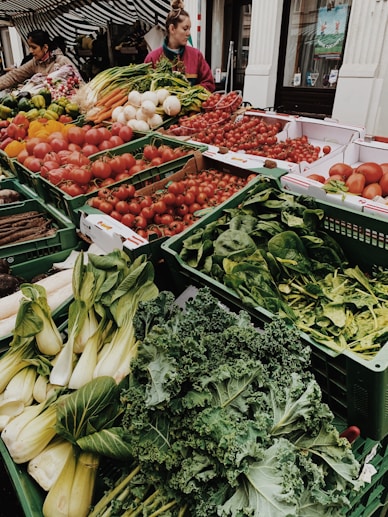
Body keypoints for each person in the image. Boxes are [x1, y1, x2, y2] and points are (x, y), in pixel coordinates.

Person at [144, 0, 215, 92]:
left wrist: (189, 92)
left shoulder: (196, 56)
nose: (189, 33)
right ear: (172, 28)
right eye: (185, 29)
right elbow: (144, 88)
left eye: (189, 29)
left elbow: (209, 83)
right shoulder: (152, 58)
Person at [0, 29, 82, 91]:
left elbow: (80, 83)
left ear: (45, 47)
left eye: (34, 47)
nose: (31, 51)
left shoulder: (62, 61)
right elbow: (14, 76)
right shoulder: (35, 63)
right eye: (30, 47)